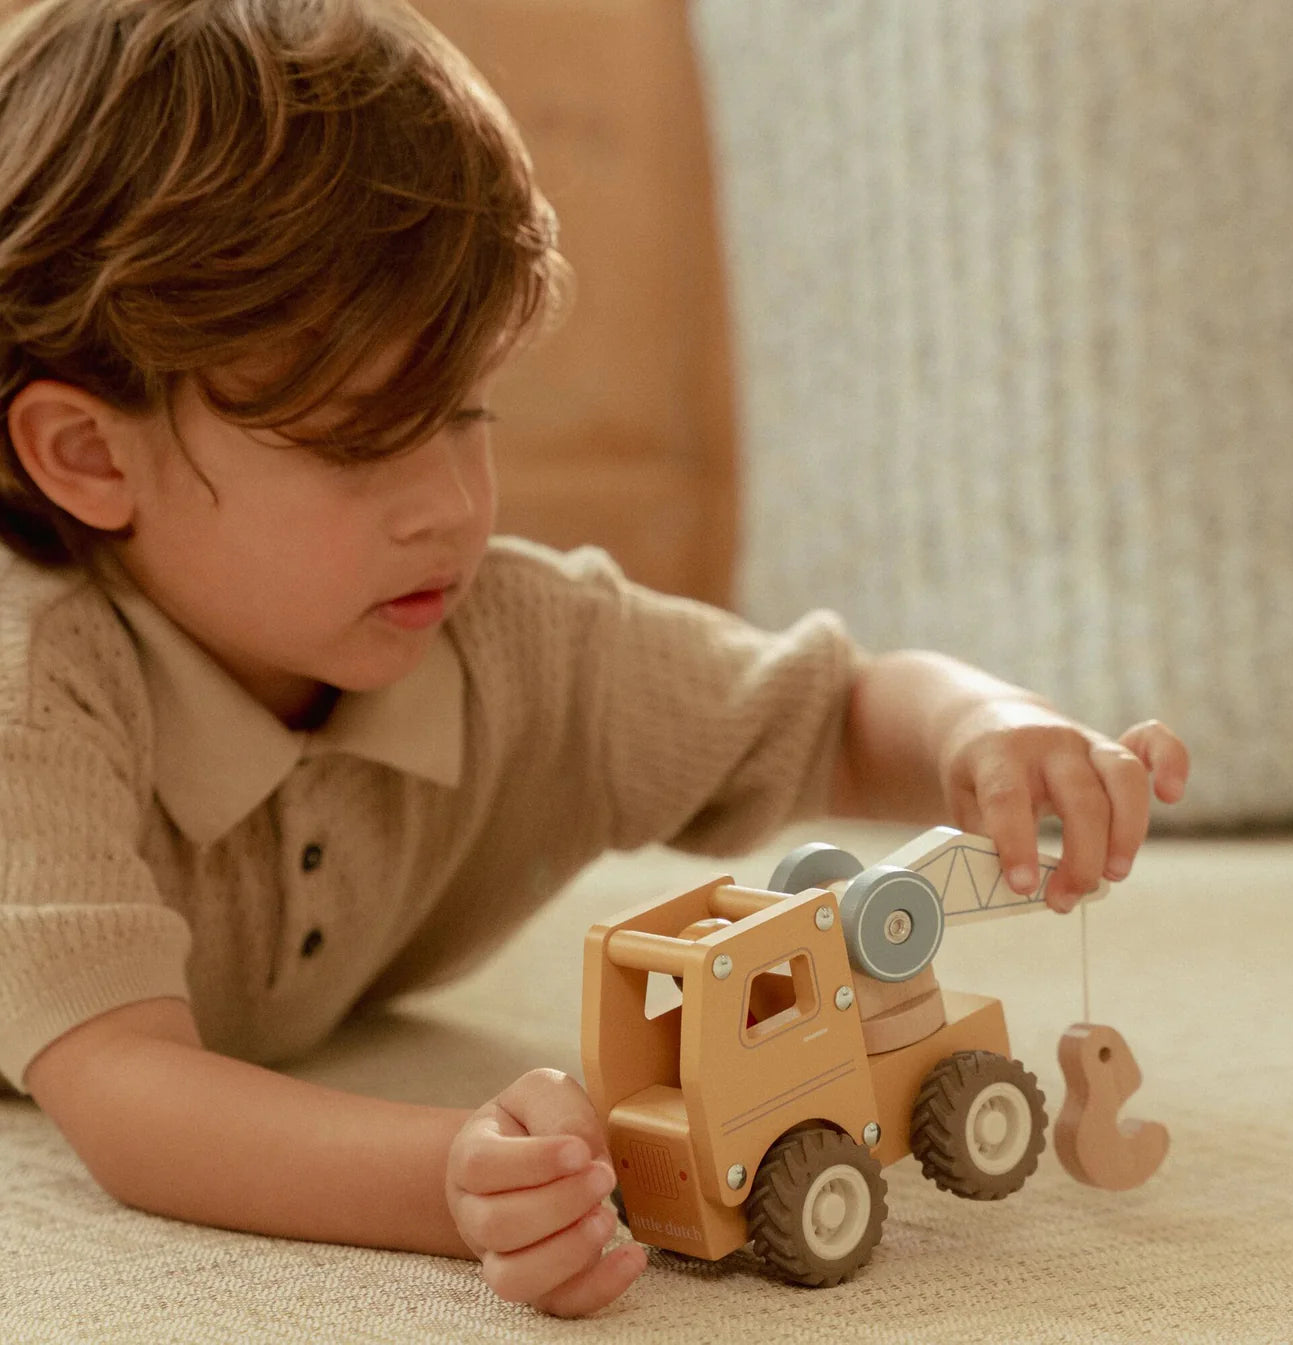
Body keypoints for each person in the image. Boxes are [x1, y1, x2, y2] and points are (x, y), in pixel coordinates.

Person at [0, 0, 1189, 1320]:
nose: (452, 504)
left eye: (466, 411)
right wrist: (448, 1175)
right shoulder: (32, 696)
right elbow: (128, 1088)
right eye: (357, 440)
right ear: (91, 456)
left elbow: (834, 714)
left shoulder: (516, 639)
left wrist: (988, 731)